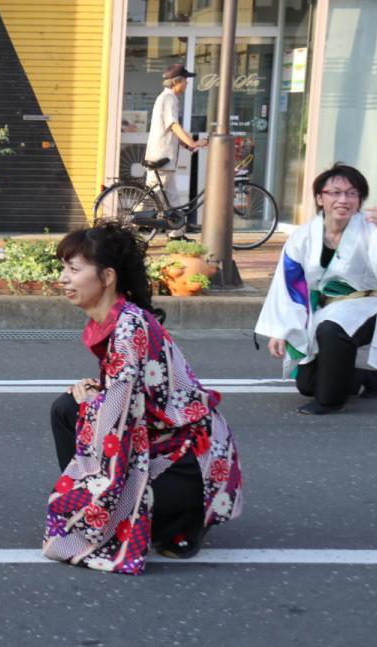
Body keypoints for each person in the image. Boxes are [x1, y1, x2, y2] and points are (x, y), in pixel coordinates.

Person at [45, 222, 242, 573]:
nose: (63, 278)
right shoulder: (116, 319)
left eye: (73, 269)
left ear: (107, 277)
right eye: (64, 268)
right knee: (66, 409)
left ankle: (184, 519)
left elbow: (120, 420)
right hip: (163, 442)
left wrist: (93, 403)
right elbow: (126, 399)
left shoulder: (128, 327)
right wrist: (96, 396)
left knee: (80, 411)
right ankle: (100, 506)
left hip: (189, 459)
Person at [255, 164, 377, 415]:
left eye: (352, 193)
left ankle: (332, 402)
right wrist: (280, 330)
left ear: (360, 199)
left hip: (367, 304)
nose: (344, 200)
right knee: (308, 385)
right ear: (320, 198)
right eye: (335, 192)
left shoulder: (373, 227)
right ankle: (364, 375)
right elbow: (289, 285)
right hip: (326, 306)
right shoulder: (303, 236)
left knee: (332, 330)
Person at [145, 63, 207, 238]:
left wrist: (187, 145)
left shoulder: (168, 98)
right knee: (151, 195)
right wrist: (192, 142)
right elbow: (173, 126)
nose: (187, 83)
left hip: (165, 158)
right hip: (162, 158)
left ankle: (177, 234)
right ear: (176, 82)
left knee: (172, 198)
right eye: (185, 80)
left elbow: (170, 130)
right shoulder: (168, 99)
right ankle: (125, 228)